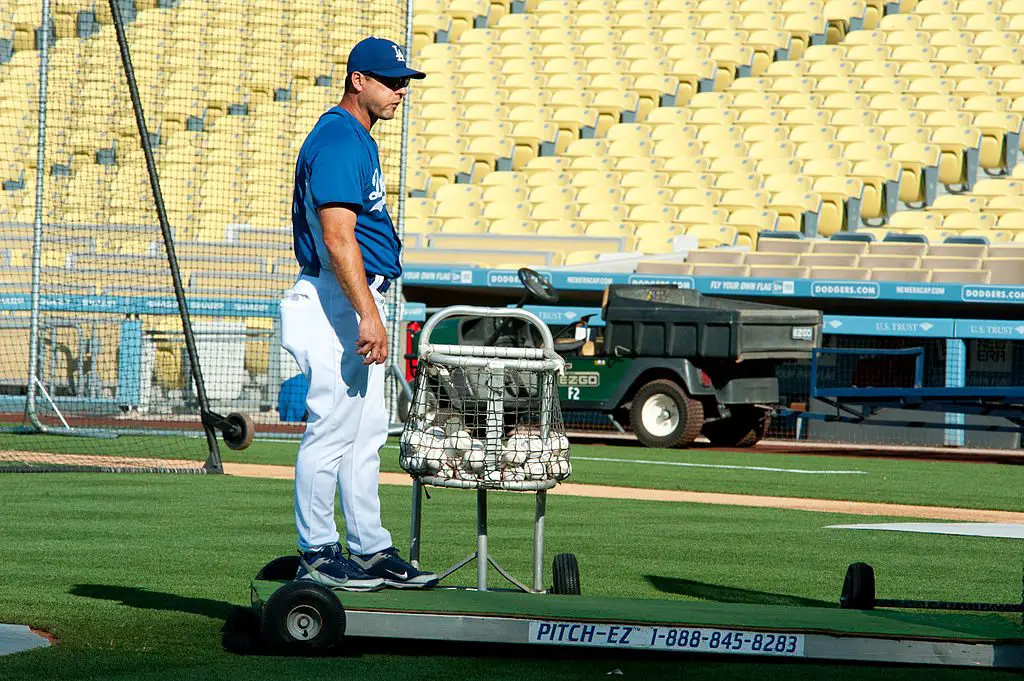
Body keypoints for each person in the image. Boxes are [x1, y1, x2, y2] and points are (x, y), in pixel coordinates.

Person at [279, 37, 437, 591]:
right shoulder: (341, 139)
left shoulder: (357, 138)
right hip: (332, 298)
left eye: (404, 82)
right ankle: (318, 549)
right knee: (333, 426)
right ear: (357, 81)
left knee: (367, 430)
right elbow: (338, 238)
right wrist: (368, 315)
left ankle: (370, 548)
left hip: (348, 296)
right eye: (391, 81)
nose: (400, 91)